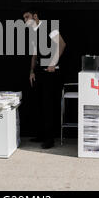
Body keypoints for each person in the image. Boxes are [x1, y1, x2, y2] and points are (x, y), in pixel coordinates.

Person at [23, 10, 66, 149]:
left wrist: (53, 63)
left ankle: (50, 139)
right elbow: (34, 54)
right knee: (39, 104)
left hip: (51, 72)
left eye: (27, 17)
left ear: (35, 16)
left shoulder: (49, 28)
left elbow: (62, 44)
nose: (25, 21)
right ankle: (41, 134)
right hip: (39, 72)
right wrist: (31, 71)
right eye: (24, 18)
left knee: (48, 106)